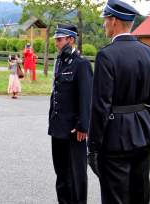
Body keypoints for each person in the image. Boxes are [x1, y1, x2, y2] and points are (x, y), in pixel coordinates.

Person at [87, 0, 150, 204]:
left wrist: (93, 146)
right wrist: (148, 129)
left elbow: (100, 106)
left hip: (114, 139)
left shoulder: (106, 55)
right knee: (140, 195)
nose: (104, 24)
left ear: (113, 21)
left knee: (115, 198)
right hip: (143, 135)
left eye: (105, 20)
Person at [49, 24, 93, 204]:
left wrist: (83, 125)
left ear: (70, 40)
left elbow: (86, 97)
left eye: (59, 40)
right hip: (58, 127)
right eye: (55, 40)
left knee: (76, 175)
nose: (56, 43)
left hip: (75, 130)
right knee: (61, 173)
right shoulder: (60, 61)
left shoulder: (81, 64)